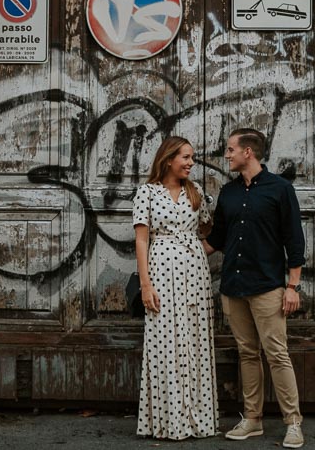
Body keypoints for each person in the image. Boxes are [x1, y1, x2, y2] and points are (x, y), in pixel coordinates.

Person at [204, 128, 306, 448]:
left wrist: (292, 286)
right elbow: (217, 240)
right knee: (247, 353)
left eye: (231, 149)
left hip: (267, 287)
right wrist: (175, 249)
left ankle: (293, 422)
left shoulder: (280, 190)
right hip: (233, 286)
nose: (227, 154)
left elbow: (295, 240)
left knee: (277, 354)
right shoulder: (229, 192)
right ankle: (253, 419)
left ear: (248, 152)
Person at [133, 135, 218, 440]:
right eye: (185, 157)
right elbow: (142, 240)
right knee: (165, 342)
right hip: (160, 275)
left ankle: (197, 418)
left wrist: (193, 251)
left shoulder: (194, 193)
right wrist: (145, 284)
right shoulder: (147, 193)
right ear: (168, 159)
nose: (191, 163)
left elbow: (209, 231)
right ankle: (168, 420)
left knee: (194, 340)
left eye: (192, 158)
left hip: (195, 276)